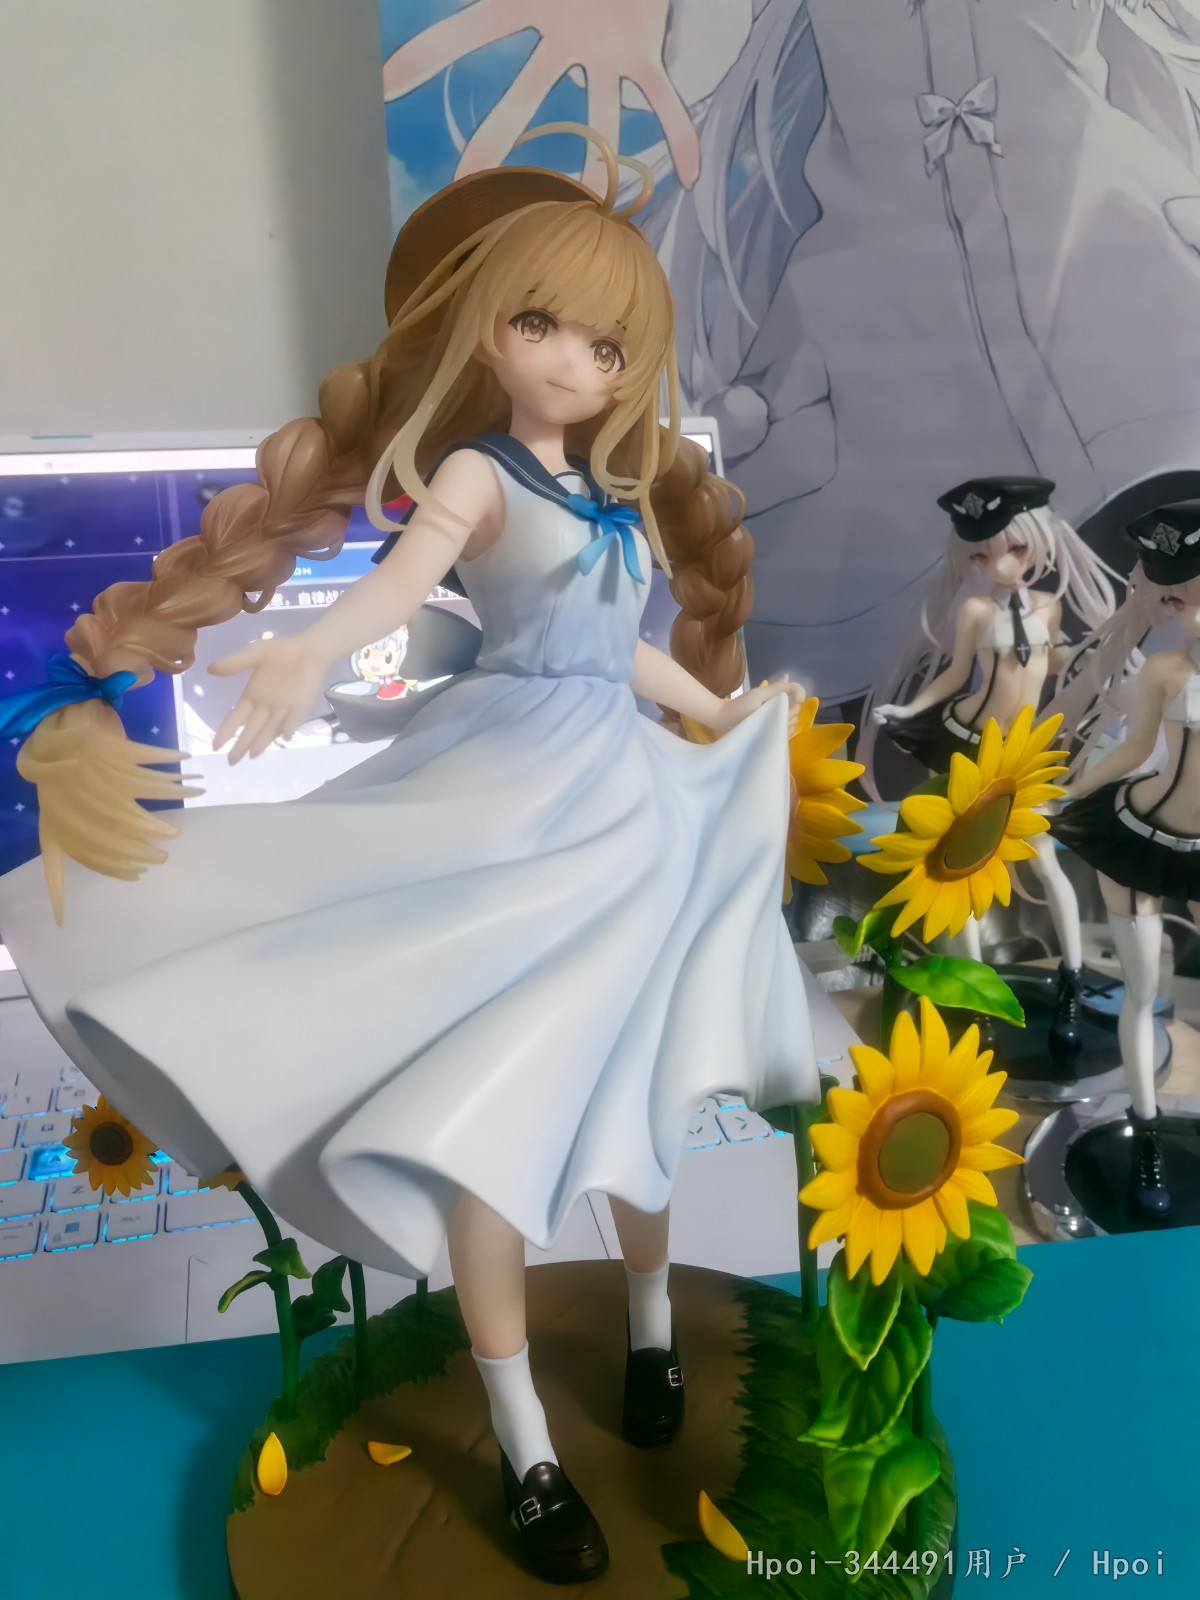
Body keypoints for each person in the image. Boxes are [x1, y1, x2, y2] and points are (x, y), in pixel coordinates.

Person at [0, 126, 819, 1584]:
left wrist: (722, 711)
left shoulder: (613, 496)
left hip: (624, 813)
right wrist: (309, 650)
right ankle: (527, 1447)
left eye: (606, 348)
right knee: (478, 1135)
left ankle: (651, 1337)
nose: (573, 363)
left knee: (637, 1097)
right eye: (541, 324)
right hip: (505, 804)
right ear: (490, 329)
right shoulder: (479, 476)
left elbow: (620, 654)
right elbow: (397, 588)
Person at [864, 477, 1119, 1054]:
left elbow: (1054, 663)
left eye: (1015, 548)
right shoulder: (975, 611)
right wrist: (910, 708)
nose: (999, 564)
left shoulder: (1049, 607)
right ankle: (976, 996)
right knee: (962, 873)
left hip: (1024, 759)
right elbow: (956, 676)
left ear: (1039, 542)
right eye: (980, 555)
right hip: (974, 745)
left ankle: (1072, 980)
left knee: (1047, 865)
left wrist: (1096, 655)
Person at [1050, 499, 1200, 1221]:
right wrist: (1069, 795)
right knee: (1141, 995)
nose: (1181, 611)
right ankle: (1147, 1134)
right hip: (1138, 836)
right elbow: (1138, 749)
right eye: (1171, 598)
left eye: (1187, 594)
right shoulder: (1165, 671)